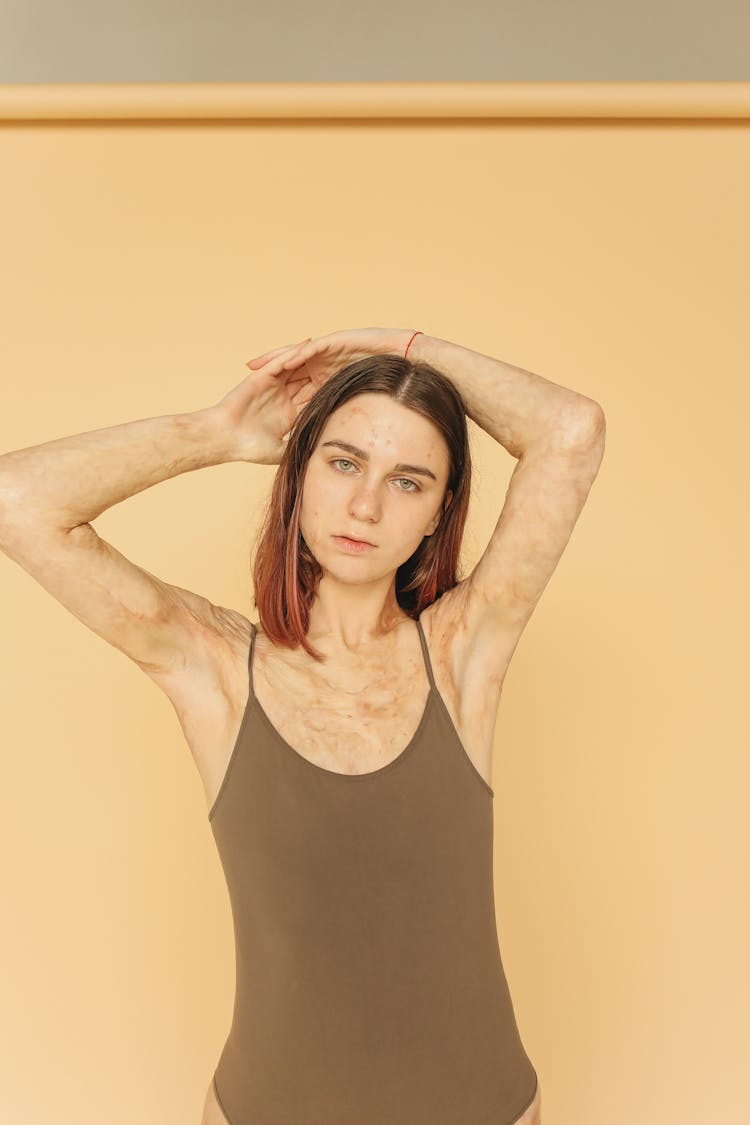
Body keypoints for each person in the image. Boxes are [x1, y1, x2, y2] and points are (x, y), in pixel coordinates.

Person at [0, 326, 606, 1124]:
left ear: (437, 514)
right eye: (344, 461)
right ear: (299, 473)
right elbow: (18, 502)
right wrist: (214, 434)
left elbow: (573, 432)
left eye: (408, 481)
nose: (365, 504)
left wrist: (405, 346)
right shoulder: (211, 668)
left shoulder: (465, 654)